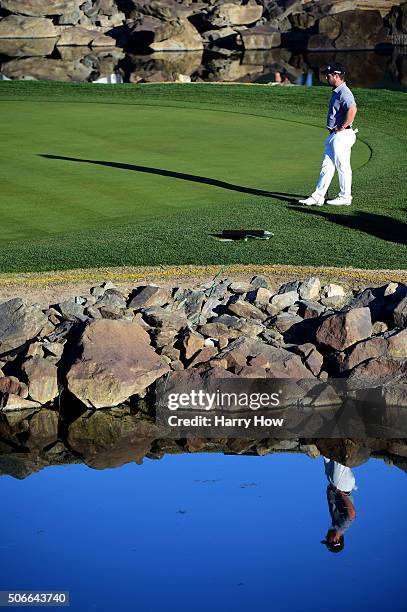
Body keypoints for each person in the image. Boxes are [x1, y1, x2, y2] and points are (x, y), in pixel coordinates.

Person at [299, 63, 358, 207]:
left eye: (329, 75)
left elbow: (353, 110)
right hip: (335, 135)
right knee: (327, 166)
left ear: (337, 76)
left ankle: (345, 196)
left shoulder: (344, 92)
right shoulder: (337, 91)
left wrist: (342, 127)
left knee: (342, 166)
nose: (326, 77)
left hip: (342, 135)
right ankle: (318, 196)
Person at [321, 457, 357, 553]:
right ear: (336, 540)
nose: (326, 537)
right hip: (342, 484)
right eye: (327, 540)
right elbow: (352, 514)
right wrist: (342, 494)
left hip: (335, 483)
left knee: (326, 455)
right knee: (338, 455)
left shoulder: (336, 525)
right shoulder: (342, 526)